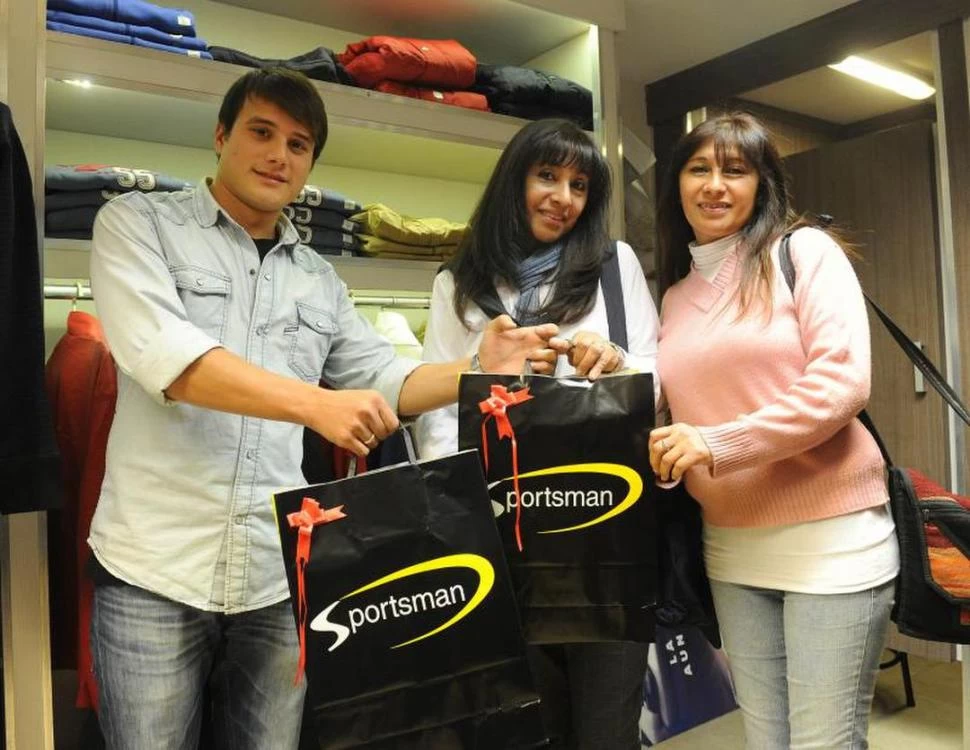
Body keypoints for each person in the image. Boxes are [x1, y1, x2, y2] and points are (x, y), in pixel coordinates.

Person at [87, 67, 568, 750]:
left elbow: (383, 377)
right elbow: (170, 358)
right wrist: (317, 404)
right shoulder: (138, 225)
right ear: (221, 135)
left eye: (299, 143)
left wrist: (477, 368)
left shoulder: (317, 277)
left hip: (277, 577)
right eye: (261, 132)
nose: (278, 155)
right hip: (153, 569)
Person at [650, 111, 899, 749]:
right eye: (698, 168)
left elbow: (842, 383)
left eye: (736, 170)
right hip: (731, 549)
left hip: (832, 542)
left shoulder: (803, 252)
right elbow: (675, 403)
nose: (715, 185)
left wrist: (715, 442)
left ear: (763, 184)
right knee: (766, 740)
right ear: (677, 184)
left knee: (823, 743)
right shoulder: (674, 297)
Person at [414, 118, 660, 750]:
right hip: (501, 536)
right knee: (524, 727)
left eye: (579, 184)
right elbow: (435, 410)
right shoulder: (458, 282)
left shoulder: (614, 265)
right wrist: (463, 511)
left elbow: (657, 385)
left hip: (604, 529)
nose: (563, 198)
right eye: (546, 176)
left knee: (607, 728)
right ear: (514, 179)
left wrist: (614, 361)